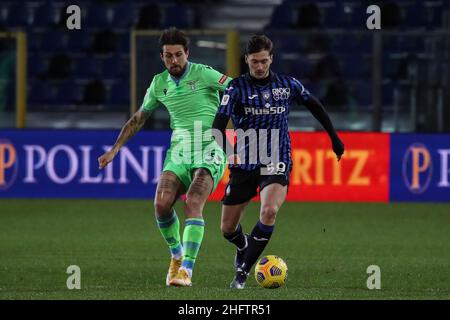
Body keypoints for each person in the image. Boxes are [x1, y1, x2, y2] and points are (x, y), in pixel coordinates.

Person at [98, 28, 231, 287]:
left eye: (178, 55)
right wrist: (115, 149)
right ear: (162, 57)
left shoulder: (204, 73)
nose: (174, 61)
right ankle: (176, 256)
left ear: (187, 54)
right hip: (179, 152)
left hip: (210, 147)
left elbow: (236, 89)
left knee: (193, 201)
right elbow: (139, 118)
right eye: (168, 56)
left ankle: (187, 271)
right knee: (161, 205)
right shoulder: (159, 83)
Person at [212, 35, 344, 289]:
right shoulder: (236, 88)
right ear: (246, 61)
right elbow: (217, 126)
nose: (259, 67)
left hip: (277, 157)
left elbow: (314, 105)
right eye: (254, 62)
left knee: (269, 211)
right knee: (228, 229)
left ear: (271, 58)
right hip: (245, 161)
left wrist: (334, 137)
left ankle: (242, 272)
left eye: (263, 61)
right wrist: (231, 155)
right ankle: (244, 246)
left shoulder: (287, 84)